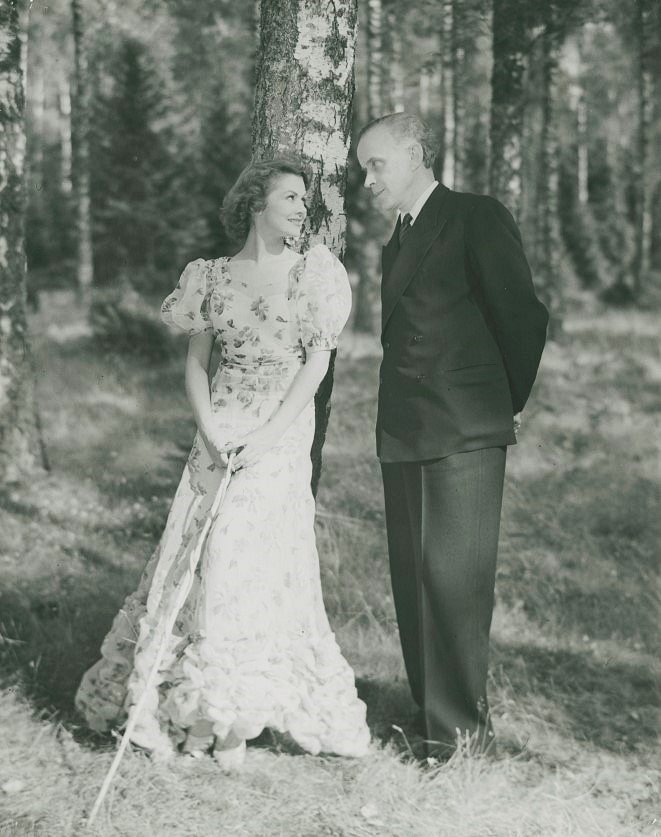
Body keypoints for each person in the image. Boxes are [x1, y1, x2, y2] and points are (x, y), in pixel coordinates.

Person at [75, 158, 370, 768]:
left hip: (279, 436)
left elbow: (316, 364)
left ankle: (234, 720)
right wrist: (210, 432)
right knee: (199, 558)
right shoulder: (210, 276)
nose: (299, 207)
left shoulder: (313, 274)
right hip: (217, 434)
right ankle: (193, 714)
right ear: (253, 205)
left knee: (251, 563)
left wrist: (266, 440)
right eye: (288, 196)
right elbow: (196, 364)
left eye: (302, 199)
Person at [356, 113, 549, 759]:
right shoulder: (399, 236)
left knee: (453, 581)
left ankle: (458, 737)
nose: (367, 181)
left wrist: (500, 404)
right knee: (413, 576)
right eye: (364, 169)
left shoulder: (474, 215)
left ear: (413, 155)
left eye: (376, 164)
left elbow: (520, 316)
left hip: (464, 427)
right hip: (407, 427)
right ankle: (429, 712)